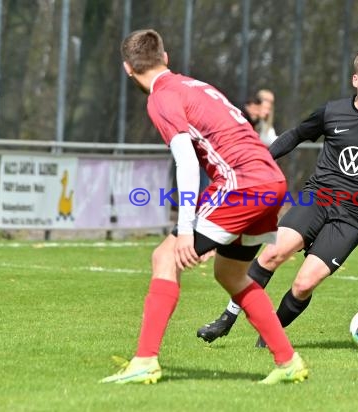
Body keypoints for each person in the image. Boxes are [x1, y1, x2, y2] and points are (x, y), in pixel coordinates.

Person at [101, 29, 308, 385]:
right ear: (165, 58)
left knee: (165, 257)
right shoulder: (193, 85)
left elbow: (185, 160)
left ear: (127, 69)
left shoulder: (161, 97)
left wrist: (184, 231)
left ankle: (145, 360)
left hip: (242, 184)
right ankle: (288, 361)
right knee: (230, 275)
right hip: (271, 182)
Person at [197, 46, 358, 345]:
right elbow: (294, 135)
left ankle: (270, 334)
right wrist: (259, 160)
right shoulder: (332, 112)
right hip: (318, 198)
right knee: (272, 255)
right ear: (356, 80)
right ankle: (226, 319)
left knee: (303, 284)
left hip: (354, 215)